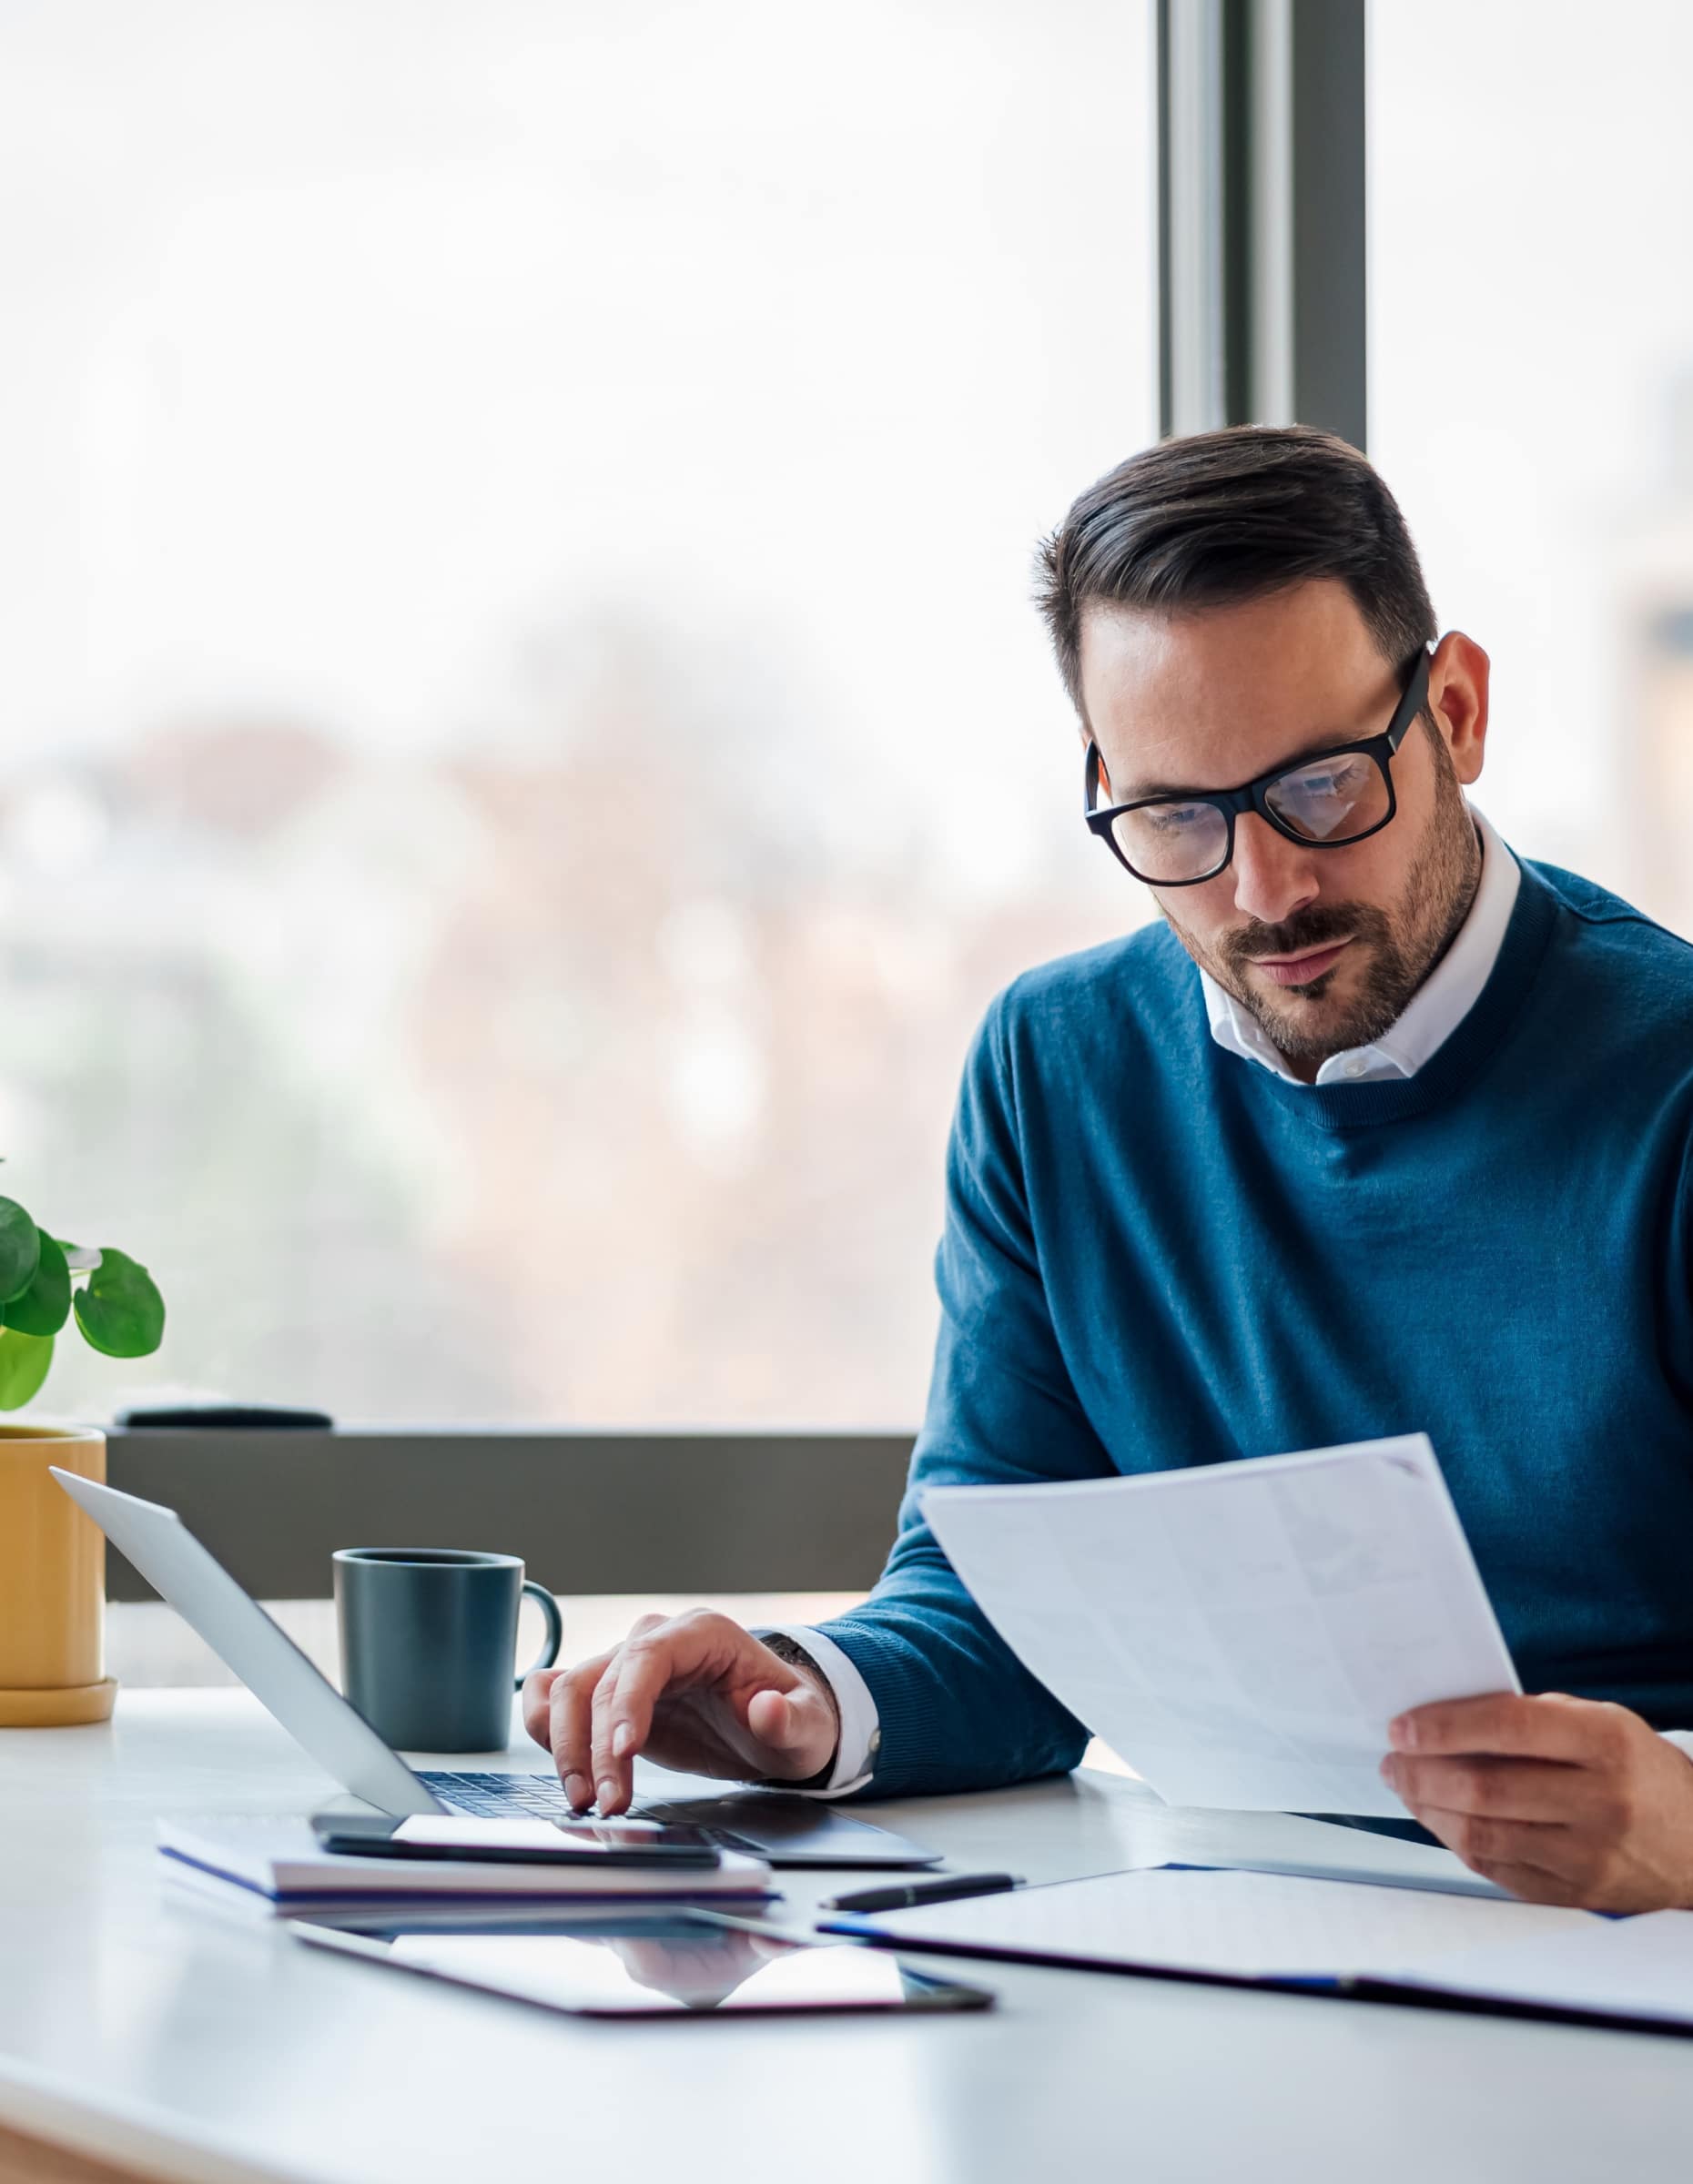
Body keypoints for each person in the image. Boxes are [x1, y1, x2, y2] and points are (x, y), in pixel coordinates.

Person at [523, 425, 1693, 1914]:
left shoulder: (1671, 1088)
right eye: (1177, 819)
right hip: (1226, 1934)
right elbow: (997, 1605)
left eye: (1323, 788)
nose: (1264, 892)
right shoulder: (1052, 1069)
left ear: (1454, 712)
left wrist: (1687, 1824)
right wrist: (800, 1702)